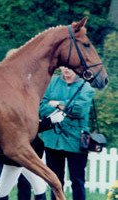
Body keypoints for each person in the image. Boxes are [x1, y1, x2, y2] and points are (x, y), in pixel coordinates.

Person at [0, 110, 66, 200]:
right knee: (3, 190)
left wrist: (50, 120)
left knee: (39, 187)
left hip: (24, 155)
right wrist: (50, 121)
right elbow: (26, 129)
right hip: (20, 156)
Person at [39, 66, 95, 200]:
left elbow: (79, 109)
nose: (66, 69)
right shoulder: (51, 83)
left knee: (78, 181)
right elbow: (41, 106)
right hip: (52, 140)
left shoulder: (85, 87)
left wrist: (57, 103)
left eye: (70, 67)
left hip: (76, 142)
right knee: (55, 181)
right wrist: (63, 108)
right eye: (64, 66)